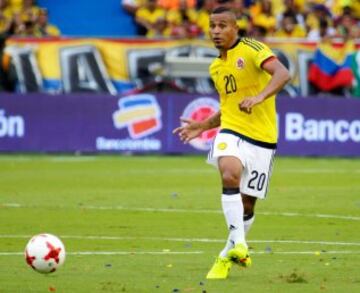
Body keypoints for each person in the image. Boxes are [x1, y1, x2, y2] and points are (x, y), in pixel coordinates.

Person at [173, 6, 290, 279]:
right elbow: (227, 108)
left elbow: (283, 74)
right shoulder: (216, 67)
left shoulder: (252, 48)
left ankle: (227, 255)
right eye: (212, 26)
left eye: (222, 25)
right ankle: (239, 243)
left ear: (235, 28)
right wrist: (202, 126)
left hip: (263, 138)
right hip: (232, 131)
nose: (216, 31)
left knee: (247, 206)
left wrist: (259, 98)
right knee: (229, 173)